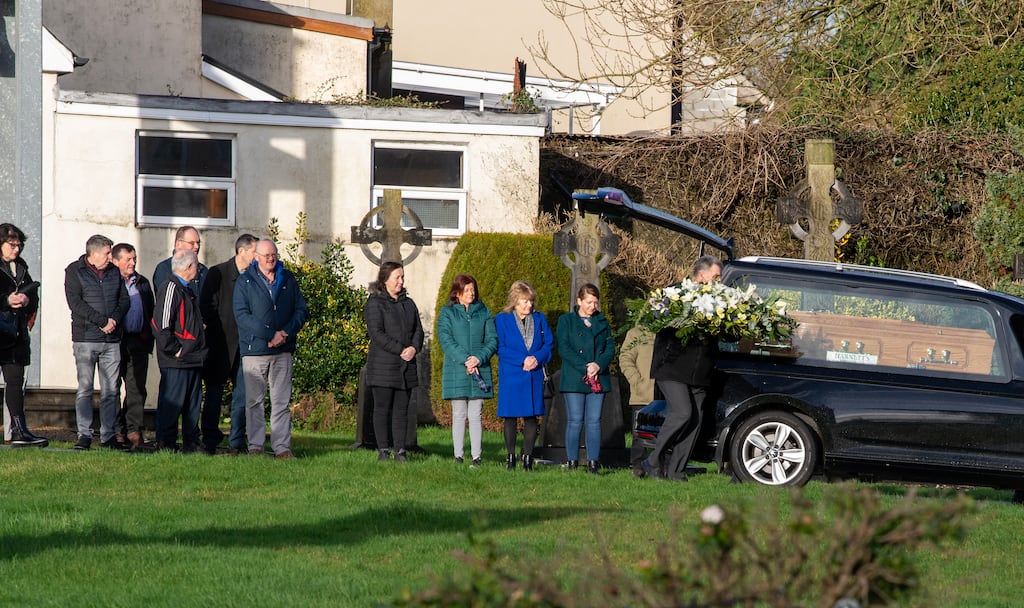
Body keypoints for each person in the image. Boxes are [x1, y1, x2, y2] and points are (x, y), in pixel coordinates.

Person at [643, 255, 724, 481]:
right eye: (716, 277)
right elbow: (657, 322)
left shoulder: (722, 301)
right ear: (702, 275)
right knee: (682, 412)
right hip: (672, 368)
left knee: (695, 420)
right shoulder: (674, 295)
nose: (719, 281)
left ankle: (675, 470)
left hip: (701, 372)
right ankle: (652, 461)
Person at [234, 239, 309, 459]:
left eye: (273, 255)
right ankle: (255, 446)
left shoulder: (287, 278)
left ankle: (282, 448)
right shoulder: (245, 281)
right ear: (256, 257)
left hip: (282, 351)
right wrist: (269, 334)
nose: (271, 259)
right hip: (255, 350)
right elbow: (242, 315)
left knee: (281, 402)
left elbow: (301, 310)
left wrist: (284, 333)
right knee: (254, 402)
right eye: (266, 255)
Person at [64, 234, 129, 450]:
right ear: (93, 253)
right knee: (85, 388)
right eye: (107, 253)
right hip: (86, 339)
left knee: (111, 390)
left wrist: (114, 321)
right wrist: (101, 321)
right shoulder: (74, 271)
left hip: (112, 340)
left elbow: (124, 300)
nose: (111, 257)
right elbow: (75, 303)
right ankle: (84, 435)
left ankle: (108, 436)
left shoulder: (113, 272)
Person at [200, 233, 258, 455]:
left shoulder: (255, 276)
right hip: (220, 345)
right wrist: (217, 334)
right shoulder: (218, 273)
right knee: (214, 394)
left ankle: (236, 441)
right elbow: (207, 306)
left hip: (246, 346)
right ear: (241, 251)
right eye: (254, 252)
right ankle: (210, 439)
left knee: (242, 395)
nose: (258, 257)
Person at [363, 261, 423, 463]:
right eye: (397, 277)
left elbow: (418, 331)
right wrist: (401, 350)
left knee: (401, 410)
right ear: (385, 279)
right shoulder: (375, 303)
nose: (401, 281)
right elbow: (376, 333)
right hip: (383, 366)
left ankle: (400, 451)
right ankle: (383, 450)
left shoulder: (409, 303)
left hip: (406, 367)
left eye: (402, 277)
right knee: (382, 409)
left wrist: (414, 348)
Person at [436, 274, 497, 466]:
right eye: (467, 290)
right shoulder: (448, 313)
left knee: (476, 413)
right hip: (457, 370)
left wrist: (479, 358)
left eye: (473, 289)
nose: (471, 293)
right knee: (459, 413)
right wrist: (465, 360)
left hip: (479, 369)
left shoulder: (484, 312)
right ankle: (458, 455)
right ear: (457, 292)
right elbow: (446, 339)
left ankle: (477, 456)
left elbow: (492, 340)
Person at [494, 280, 554, 471]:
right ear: (515, 301)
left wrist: (536, 358)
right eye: (524, 302)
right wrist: (523, 360)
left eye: (530, 301)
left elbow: (549, 344)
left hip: (533, 374)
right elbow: (500, 347)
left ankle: (527, 457)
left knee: (531, 417)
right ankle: (510, 457)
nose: (529, 305)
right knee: (510, 417)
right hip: (512, 374)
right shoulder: (502, 320)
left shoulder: (539, 318)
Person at [153, 249, 208, 452]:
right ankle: (165, 443)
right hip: (177, 359)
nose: (198, 269)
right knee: (172, 403)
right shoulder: (170, 287)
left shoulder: (187, 289)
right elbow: (162, 323)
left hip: (193, 357)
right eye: (196, 265)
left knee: (193, 404)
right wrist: (174, 350)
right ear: (188, 267)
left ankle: (191, 442)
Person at [557, 283, 615, 474]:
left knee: (594, 421)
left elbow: (610, 349)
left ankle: (593, 463)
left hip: (598, 376)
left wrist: (598, 364)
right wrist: (585, 366)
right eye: (589, 302)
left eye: (595, 303)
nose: (593, 306)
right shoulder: (566, 321)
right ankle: (572, 461)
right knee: (574, 421)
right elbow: (564, 348)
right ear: (579, 301)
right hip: (575, 377)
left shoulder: (602, 322)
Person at [0, 223, 47, 447]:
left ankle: (19, 430)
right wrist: (6, 300)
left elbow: (32, 295)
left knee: (15, 383)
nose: (16, 249)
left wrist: (27, 301)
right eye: (12, 245)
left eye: (19, 245)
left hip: (15, 334)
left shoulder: (21, 267)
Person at [111, 243, 155, 450]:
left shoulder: (142, 282)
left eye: (134, 258)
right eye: (128, 259)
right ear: (115, 260)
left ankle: (133, 429)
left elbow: (150, 310)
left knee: (136, 387)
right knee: (113, 387)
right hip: (115, 340)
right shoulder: (110, 281)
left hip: (138, 340)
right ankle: (116, 429)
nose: (133, 262)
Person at [619, 324, 656, 478]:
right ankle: (638, 466)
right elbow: (626, 358)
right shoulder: (636, 333)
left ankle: (660, 466)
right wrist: (637, 382)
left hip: (665, 393)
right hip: (642, 393)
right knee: (639, 435)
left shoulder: (669, 334)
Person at [152, 225, 207, 304]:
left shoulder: (203, 270)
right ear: (178, 244)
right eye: (192, 243)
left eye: (198, 243)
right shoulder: (164, 269)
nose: (197, 246)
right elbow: (165, 303)